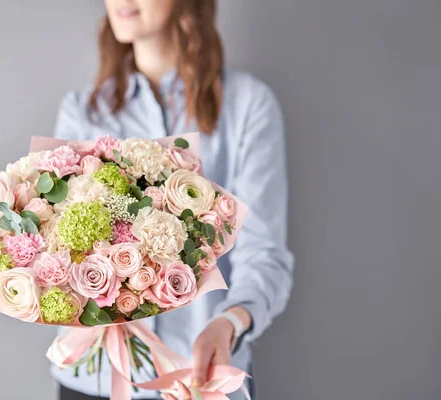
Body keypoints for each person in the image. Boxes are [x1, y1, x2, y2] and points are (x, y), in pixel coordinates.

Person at [52, 1, 294, 399]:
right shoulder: (83, 113)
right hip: (91, 381)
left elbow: (264, 253)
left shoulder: (248, 106)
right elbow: (60, 245)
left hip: (200, 378)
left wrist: (230, 322)